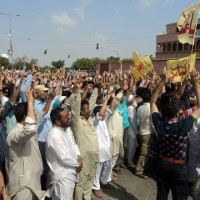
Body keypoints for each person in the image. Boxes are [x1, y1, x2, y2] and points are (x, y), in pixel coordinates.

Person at [151, 71, 200, 200]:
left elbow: (152, 102)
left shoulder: (159, 123)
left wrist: (162, 82)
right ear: (178, 114)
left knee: (162, 195)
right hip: (179, 167)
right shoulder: (184, 125)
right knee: (180, 196)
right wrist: (196, 84)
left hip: (162, 164)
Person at [5, 88, 45, 200]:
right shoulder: (15, 134)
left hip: (33, 182)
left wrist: (32, 99)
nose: (35, 114)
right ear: (25, 118)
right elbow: (31, 128)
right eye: (32, 111)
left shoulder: (24, 132)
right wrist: (30, 102)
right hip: (23, 187)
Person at [70, 80, 99, 200]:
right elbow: (75, 109)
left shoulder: (89, 119)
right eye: (87, 109)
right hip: (84, 159)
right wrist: (77, 92)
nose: (89, 110)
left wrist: (96, 89)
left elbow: (91, 103)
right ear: (82, 111)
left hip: (94, 158)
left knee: (90, 182)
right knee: (80, 184)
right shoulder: (77, 123)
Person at [45, 107, 83, 200]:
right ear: (57, 121)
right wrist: (78, 163)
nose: (69, 117)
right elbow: (64, 157)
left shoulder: (67, 130)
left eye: (68, 115)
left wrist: (79, 156)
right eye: (66, 116)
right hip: (62, 176)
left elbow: (74, 144)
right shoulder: (54, 135)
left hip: (71, 172)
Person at [135, 88, 153, 178]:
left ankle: (142, 165)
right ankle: (139, 170)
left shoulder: (140, 107)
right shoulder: (151, 109)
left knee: (142, 151)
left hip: (141, 131)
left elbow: (137, 121)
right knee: (144, 152)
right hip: (147, 132)